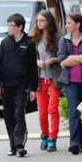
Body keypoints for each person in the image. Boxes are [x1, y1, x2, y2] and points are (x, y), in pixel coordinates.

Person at [0, 13, 38, 158]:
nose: (9, 28)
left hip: (22, 85)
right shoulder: (5, 42)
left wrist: (33, 88)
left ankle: (20, 145)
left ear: (20, 27)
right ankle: (12, 145)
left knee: (19, 113)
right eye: (8, 25)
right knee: (8, 115)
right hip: (7, 85)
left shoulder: (29, 43)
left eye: (11, 25)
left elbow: (33, 67)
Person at [57, 10, 82, 155]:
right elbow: (61, 60)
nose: (66, 25)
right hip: (70, 82)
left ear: (78, 24)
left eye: (69, 23)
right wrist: (79, 58)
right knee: (74, 111)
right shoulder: (64, 40)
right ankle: (74, 143)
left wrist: (72, 59)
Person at [31, 9, 61, 151]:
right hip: (40, 78)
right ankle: (44, 135)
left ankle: (52, 138)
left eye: (42, 20)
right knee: (42, 111)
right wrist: (37, 62)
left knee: (52, 109)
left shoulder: (57, 37)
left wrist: (54, 59)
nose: (39, 23)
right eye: (38, 21)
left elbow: (64, 56)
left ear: (48, 21)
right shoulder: (34, 38)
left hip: (53, 77)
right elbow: (29, 58)